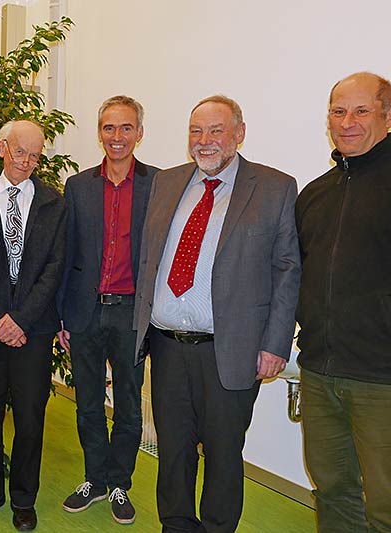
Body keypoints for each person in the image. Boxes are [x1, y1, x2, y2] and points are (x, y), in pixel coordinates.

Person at [133, 95, 300, 533]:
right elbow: (150, 259)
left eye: (215, 130)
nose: (204, 141)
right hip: (167, 347)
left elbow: (287, 270)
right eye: (196, 131)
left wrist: (275, 343)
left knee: (224, 452)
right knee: (173, 449)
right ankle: (177, 525)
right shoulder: (167, 183)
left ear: (239, 134)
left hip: (232, 350)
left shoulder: (274, 187)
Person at [296, 71, 391, 532]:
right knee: (333, 490)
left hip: (382, 379)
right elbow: (296, 275)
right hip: (319, 372)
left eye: (361, 110)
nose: (347, 122)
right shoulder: (315, 194)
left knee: (387, 503)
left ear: (387, 118)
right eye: (338, 111)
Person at [57, 95, 158, 525]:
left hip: (131, 313)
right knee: (87, 404)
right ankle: (95, 479)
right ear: (100, 133)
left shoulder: (158, 185)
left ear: (139, 132)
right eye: (109, 128)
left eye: (126, 128)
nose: (117, 137)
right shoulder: (78, 187)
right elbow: (66, 252)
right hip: (85, 312)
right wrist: (62, 313)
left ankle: (120, 483)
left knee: (131, 406)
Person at [0, 120, 66, 531]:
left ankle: (24, 497)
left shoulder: (54, 202)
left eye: (36, 155)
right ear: (2, 147)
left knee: (30, 416)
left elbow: (55, 267)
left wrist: (20, 319)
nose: (27, 162)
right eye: (20, 152)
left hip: (33, 331)